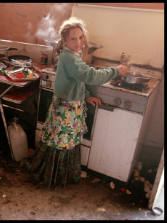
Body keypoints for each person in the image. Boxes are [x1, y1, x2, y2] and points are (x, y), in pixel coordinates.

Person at [22, 17, 129, 188]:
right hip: (65, 108)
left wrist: (86, 95)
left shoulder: (74, 56)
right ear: (64, 40)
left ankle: (60, 175)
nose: (78, 42)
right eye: (73, 38)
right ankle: (52, 177)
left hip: (72, 106)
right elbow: (90, 76)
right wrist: (115, 70)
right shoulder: (68, 57)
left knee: (65, 141)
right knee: (60, 142)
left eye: (81, 37)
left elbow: (77, 81)